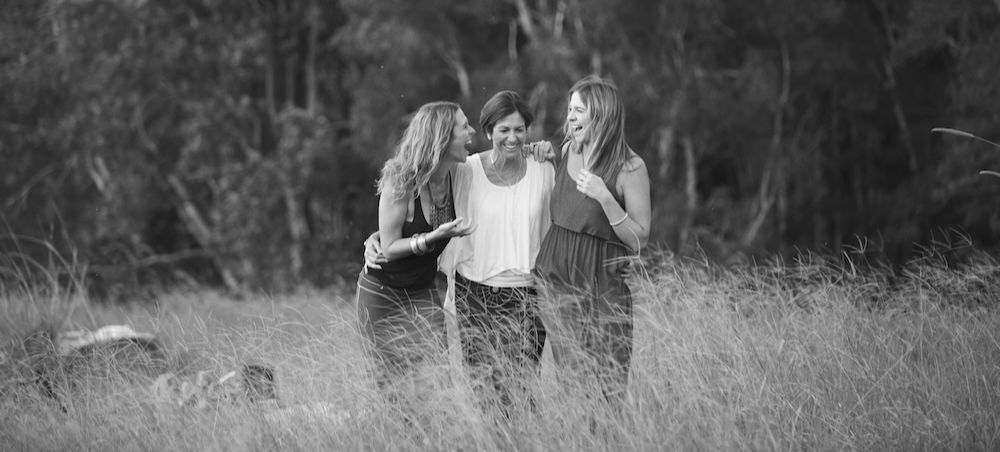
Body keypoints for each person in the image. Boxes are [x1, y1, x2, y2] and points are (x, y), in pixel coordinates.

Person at [365, 91, 555, 417]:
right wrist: (378, 237)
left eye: (519, 130)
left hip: (525, 293)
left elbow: (562, 220)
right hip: (471, 294)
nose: (512, 137)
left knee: (521, 389)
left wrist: (541, 149)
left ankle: (523, 439)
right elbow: (412, 202)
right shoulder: (464, 170)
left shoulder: (541, 167)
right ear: (488, 132)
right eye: (503, 130)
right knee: (481, 392)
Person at [532, 75, 651, 405]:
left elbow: (640, 239)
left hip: (603, 287)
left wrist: (605, 197)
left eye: (578, 110)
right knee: (574, 385)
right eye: (569, 109)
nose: (569, 117)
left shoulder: (630, 167)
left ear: (601, 114)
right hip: (556, 282)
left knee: (609, 386)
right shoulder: (567, 149)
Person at [356, 101, 477, 397]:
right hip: (383, 295)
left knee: (437, 385)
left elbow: (499, 158)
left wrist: (535, 149)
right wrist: (430, 237)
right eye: (464, 126)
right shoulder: (401, 179)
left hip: (423, 293)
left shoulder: (459, 173)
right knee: (391, 389)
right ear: (443, 137)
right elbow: (389, 247)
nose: (472, 131)